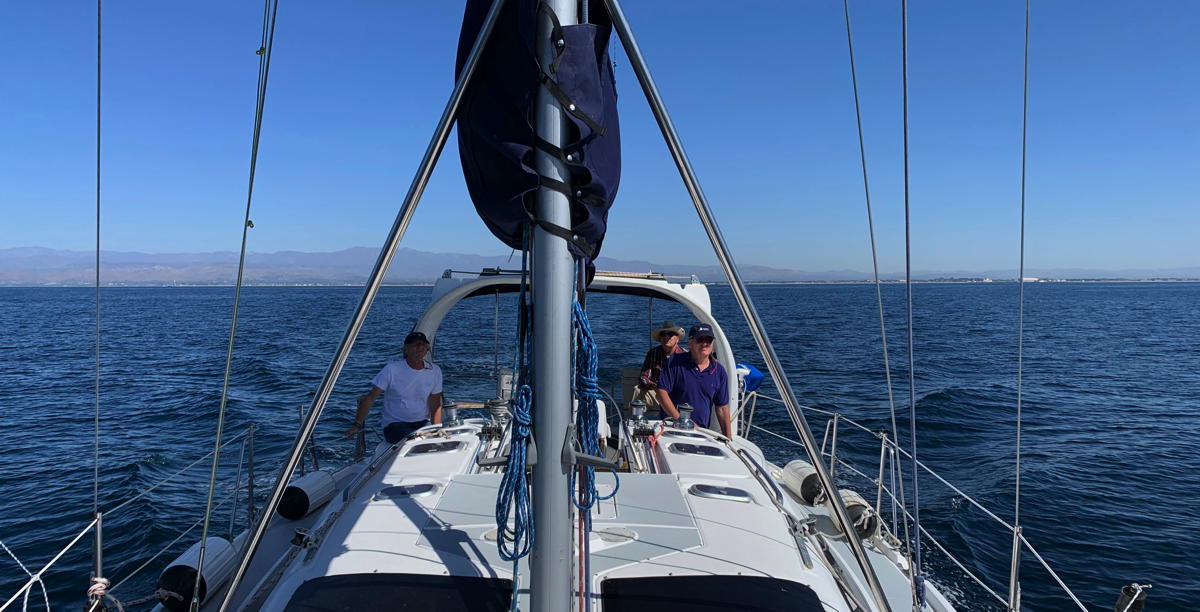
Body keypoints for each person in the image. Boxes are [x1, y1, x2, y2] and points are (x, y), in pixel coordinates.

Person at [346, 331, 443, 444]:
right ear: (406, 349)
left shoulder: (435, 371)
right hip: (395, 425)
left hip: (423, 423)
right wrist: (357, 424)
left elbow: (435, 403)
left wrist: (437, 429)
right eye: (416, 345)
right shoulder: (392, 370)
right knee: (416, 441)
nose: (420, 347)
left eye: (423, 345)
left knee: (438, 443)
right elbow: (370, 398)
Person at [656, 323, 731, 437]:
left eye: (708, 340)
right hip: (672, 429)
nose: (705, 344)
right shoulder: (674, 362)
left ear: (713, 343)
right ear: (690, 343)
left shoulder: (719, 372)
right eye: (700, 340)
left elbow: (722, 408)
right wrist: (681, 421)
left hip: (700, 433)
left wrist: (728, 439)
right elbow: (661, 393)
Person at [634, 321, 686, 411]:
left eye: (670, 334)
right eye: (663, 334)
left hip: (677, 396)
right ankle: (634, 421)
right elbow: (644, 377)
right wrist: (658, 388)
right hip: (657, 393)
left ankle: (683, 422)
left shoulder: (685, 356)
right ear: (660, 338)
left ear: (677, 339)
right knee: (637, 390)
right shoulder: (653, 353)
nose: (666, 337)